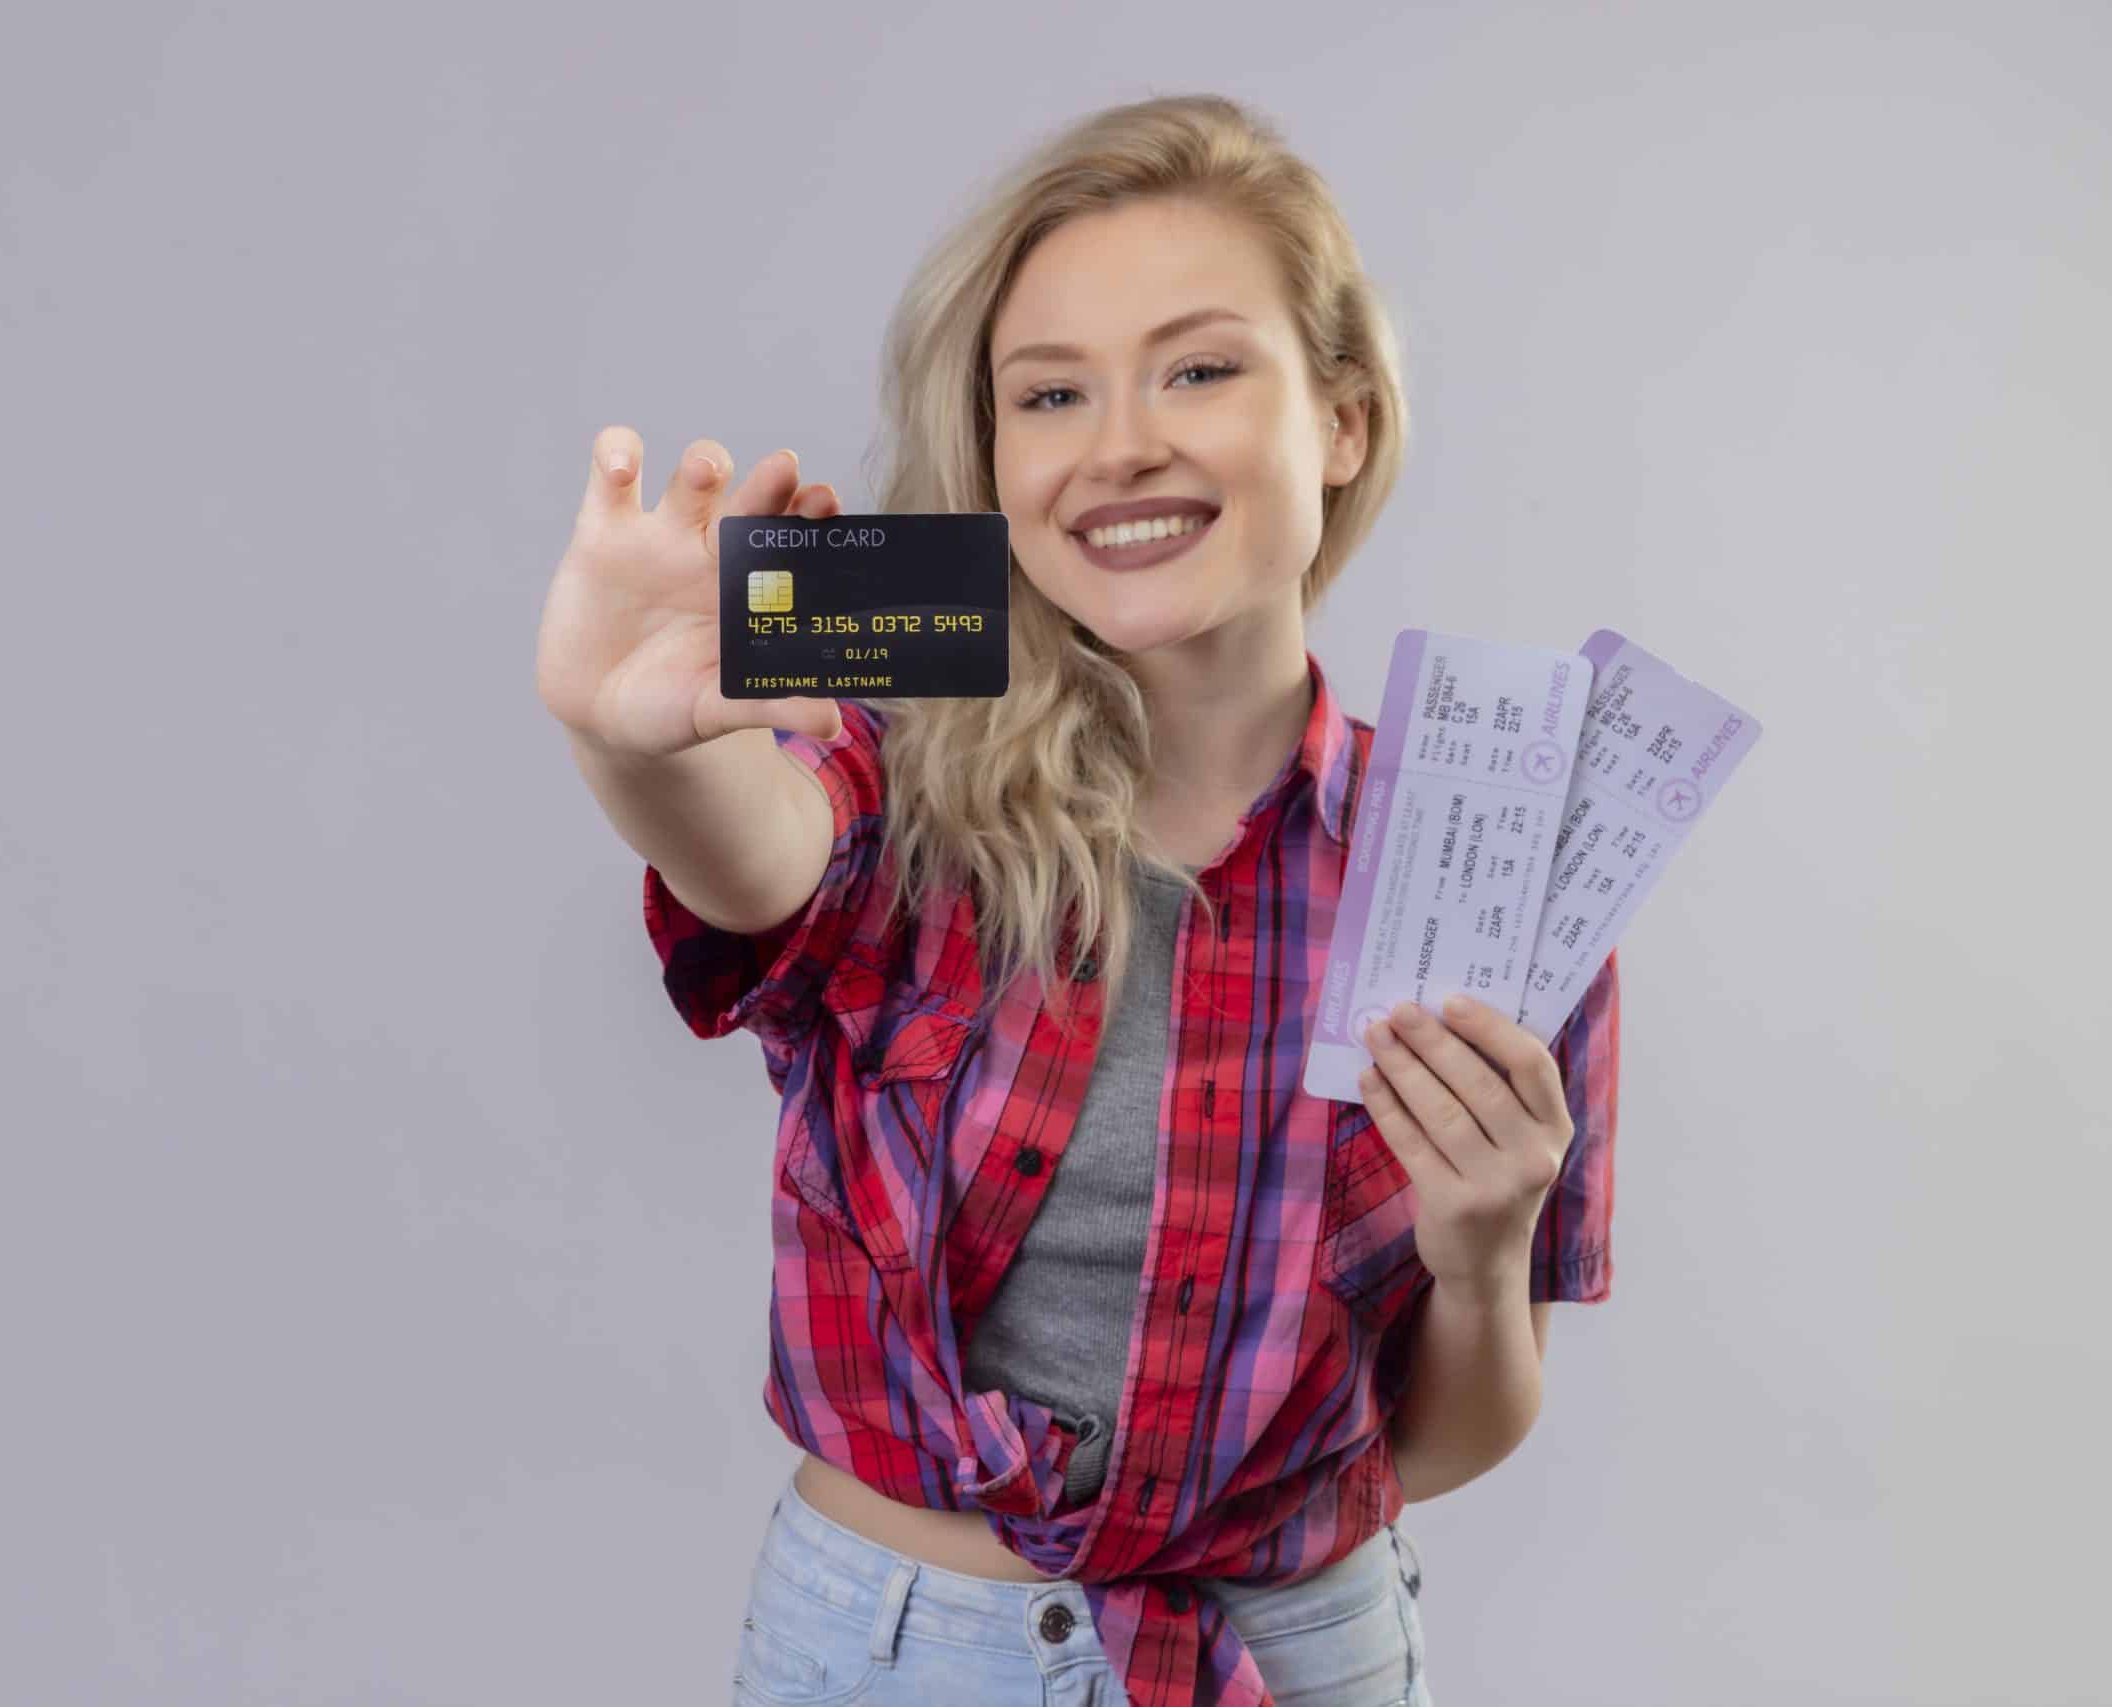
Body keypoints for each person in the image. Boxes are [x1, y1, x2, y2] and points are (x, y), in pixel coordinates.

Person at [537, 91, 1621, 1707]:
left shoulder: (1488, 857)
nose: (1120, 446)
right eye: (1051, 393)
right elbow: (755, 852)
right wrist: (627, 741)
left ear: (1340, 422)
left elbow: (1443, 1444)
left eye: (1199, 369)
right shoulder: (893, 754)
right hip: (894, 1658)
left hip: (1297, 1656)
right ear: (997, 456)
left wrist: (1479, 1255)